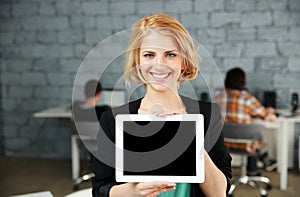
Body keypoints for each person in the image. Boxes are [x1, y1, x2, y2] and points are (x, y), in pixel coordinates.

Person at [92, 13, 232, 197]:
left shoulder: (208, 116)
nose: (159, 65)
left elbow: (219, 193)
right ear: (138, 61)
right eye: (149, 55)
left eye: (170, 55)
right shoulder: (112, 121)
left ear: (183, 62)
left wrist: (192, 141)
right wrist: (132, 191)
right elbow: (100, 190)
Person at [215, 67, 277, 175]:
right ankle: (258, 164)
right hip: (246, 144)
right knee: (254, 135)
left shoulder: (217, 97)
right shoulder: (247, 99)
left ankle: (252, 170)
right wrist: (270, 112)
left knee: (250, 132)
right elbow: (267, 116)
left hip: (223, 143)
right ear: (243, 82)